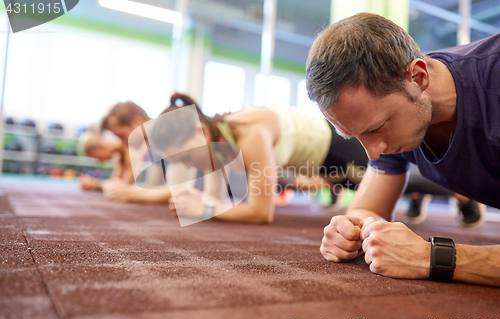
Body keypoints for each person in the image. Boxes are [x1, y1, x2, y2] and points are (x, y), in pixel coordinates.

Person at [306, 13, 500, 287]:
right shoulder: (400, 102)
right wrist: (350, 230)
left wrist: (433, 257)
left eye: (377, 127)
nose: (373, 153)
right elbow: (367, 208)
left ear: (418, 77)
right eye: (357, 136)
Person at [150, 93, 368, 224]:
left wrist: (203, 209)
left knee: (400, 187)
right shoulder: (215, 144)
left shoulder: (248, 134)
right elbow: (214, 201)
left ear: (201, 132)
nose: (188, 166)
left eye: (186, 157)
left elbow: (261, 213)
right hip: (315, 166)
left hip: (340, 152)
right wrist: (201, 204)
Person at [78, 126, 133, 191]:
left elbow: (124, 188)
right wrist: (95, 184)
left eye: (98, 158)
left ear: (101, 145)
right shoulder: (120, 154)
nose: (100, 161)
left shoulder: (127, 149)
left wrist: (96, 184)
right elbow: (116, 183)